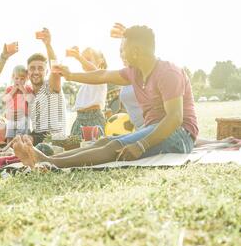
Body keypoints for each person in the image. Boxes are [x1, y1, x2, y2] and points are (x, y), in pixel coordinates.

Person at [13, 24, 199, 168]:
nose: (121, 53)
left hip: (179, 136)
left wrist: (142, 145)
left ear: (135, 51)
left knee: (114, 147)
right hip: (156, 130)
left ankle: (50, 163)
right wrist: (70, 76)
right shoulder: (135, 72)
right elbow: (102, 75)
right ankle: (45, 158)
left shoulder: (168, 73)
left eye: (123, 48)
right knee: (103, 141)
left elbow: (175, 118)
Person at [27, 28, 67, 145]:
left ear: (46, 71)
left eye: (40, 68)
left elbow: (56, 69)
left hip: (54, 139)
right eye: (32, 68)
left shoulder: (50, 86)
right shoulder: (27, 93)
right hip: (37, 136)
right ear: (27, 72)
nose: (36, 72)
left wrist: (48, 45)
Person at [67, 46, 107, 136]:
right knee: (75, 147)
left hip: (93, 119)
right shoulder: (85, 83)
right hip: (79, 119)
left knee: (92, 148)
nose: (84, 62)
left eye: (88, 59)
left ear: (100, 61)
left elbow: (93, 70)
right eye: (83, 59)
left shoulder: (101, 76)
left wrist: (79, 57)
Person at [2, 65, 34, 142]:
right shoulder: (9, 89)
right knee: (10, 135)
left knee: (22, 136)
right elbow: (4, 99)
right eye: (16, 78)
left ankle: (21, 149)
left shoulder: (27, 89)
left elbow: (30, 100)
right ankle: (9, 149)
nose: (19, 81)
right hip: (11, 116)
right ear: (13, 78)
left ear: (26, 79)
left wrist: (23, 90)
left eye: (22, 79)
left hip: (23, 116)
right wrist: (13, 90)